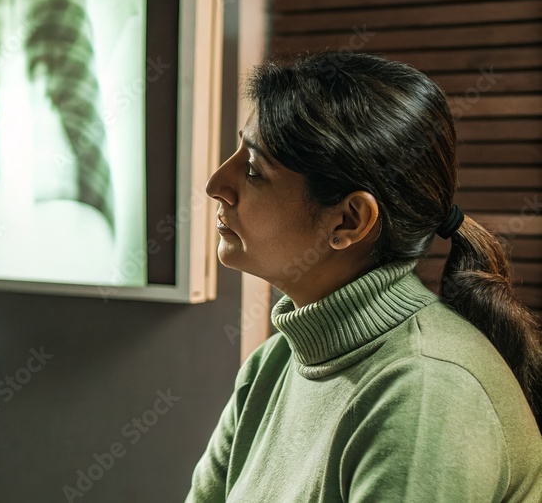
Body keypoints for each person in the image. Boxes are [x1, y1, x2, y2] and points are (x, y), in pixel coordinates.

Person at [187, 52, 542, 502]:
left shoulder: (425, 394)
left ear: (348, 221)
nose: (216, 183)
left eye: (254, 170)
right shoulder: (271, 364)